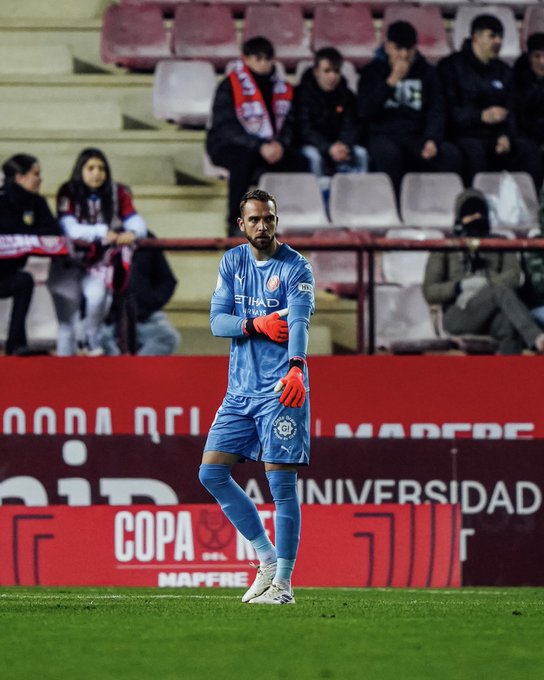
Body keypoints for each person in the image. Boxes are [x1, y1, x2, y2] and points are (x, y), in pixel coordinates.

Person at [199, 188, 314, 605]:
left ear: (276, 220)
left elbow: (299, 321)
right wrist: (255, 324)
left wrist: (297, 366)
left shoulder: (297, 268)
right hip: (238, 392)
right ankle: (265, 559)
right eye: (255, 220)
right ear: (241, 224)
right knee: (210, 473)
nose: (263, 226)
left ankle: (282, 585)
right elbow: (217, 322)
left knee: (281, 486)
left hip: (281, 389)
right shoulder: (232, 261)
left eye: (269, 218)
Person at [50, 147, 147, 356]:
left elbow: (137, 222)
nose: (97, 173)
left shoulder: (116, 192)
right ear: (80, 170)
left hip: (97, 264)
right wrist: (103, 231)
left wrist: (133, 232)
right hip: (67, 264)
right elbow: (70, 228)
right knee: (67, 322)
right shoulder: (68, 191)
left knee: (98, 298)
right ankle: (61, 369)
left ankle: (90, 345)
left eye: (101, 168)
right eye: (91, 167)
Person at [206, 36, 307, 237]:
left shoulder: (283, 89)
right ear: (246, 58)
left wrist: (281, 145)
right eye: (257, 58)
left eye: (267, 58)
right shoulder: (230, 86)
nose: (263, 63)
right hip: (228, 144)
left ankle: (289, 219)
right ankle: (235, 223)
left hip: (271, 146)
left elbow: (291, 123)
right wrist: (259, 146)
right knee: (243, 161)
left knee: (300, 161)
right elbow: (226, 127)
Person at [423, 188, 544, 354]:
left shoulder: (500, 243)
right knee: (498, 291)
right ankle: (537, 337)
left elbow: (514, 277)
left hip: (493, 310)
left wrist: (485, 283)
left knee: (507, 325)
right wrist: (460, 286)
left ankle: (510, 377)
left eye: (479, 213)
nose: (475, 218)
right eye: (469, 214)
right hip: (458, 313)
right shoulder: (446, 246)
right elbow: (430, 291)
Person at [357, 20, 462, 196]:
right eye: (399, 49)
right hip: (383, 135)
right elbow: (364, 110)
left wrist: (432, 139)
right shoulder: (371, 72)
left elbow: (436, 109)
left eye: (409, 49)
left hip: (416, 136)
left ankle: (444, 206)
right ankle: (395, 209)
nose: (404, 55)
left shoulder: (427, 72)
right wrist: (391, 81)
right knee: (389, 156)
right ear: (388, 47)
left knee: (451, 156)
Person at [438, 15, 543, 189]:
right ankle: (477, 207)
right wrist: (480, 116)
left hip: (495, 136)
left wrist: (505, 135)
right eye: (492, 36)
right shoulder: (451, 67)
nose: (498, 41)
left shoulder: (504, 71)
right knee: (475, 152)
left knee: (529, 150)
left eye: (500, 37)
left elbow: (511, 110)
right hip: (464, 134)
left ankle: (532, 206)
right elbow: (449, 112)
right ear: (476, 37)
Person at [0, 154, 62, 356]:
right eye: (35, 174)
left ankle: (16, 344)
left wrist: (21, 234)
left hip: (8, 272)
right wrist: (28, 234)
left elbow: (52, 231)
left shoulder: (37, 203)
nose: (40, 179)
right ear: (19, 177)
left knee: (24, 281)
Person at [294, 46, 367, 193]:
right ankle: (319, 198)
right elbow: (304, 129)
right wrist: (328, 148)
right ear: (316, 72)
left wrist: (343, 145)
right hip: (313, 146)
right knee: (313, 156)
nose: (332, 76)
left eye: (336, 71)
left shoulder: (347, 95)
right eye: (327, 71)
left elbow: (352, 125)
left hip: (340, 148)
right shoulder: (301, 95)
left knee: (361, 153)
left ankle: (360, 196)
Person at [100, 233, 180, 356]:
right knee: (92, 341)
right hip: (102, 319)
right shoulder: (94, 236)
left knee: (168, 338)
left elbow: (168, 280)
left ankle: (133, 371)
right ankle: (118, 370)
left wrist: (149, 304)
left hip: (143, 317)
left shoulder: (146, 238)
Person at [513, 32, 544, 147]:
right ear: (529, 57)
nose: (542, 62)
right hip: (526, 137)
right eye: (537, 56)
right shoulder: (518, 80)